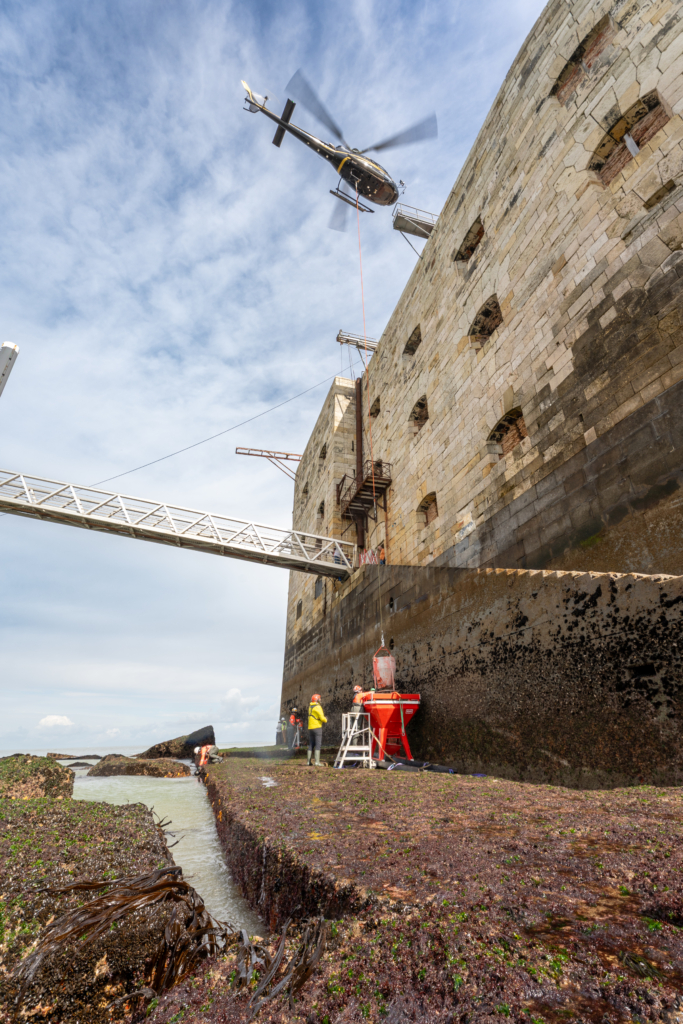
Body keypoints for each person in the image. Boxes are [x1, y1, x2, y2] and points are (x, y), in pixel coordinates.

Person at [307, 693, 327, 766]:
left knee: (311, 744)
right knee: (318, 744)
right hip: (317, 727)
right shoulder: (318, 707)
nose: (320, 700)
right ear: (317, 700)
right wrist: (326, 719)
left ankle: (308, 762)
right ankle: (317, 762)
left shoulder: (310, 707)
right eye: (319, 698)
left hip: (310, 728)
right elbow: (322, 718)